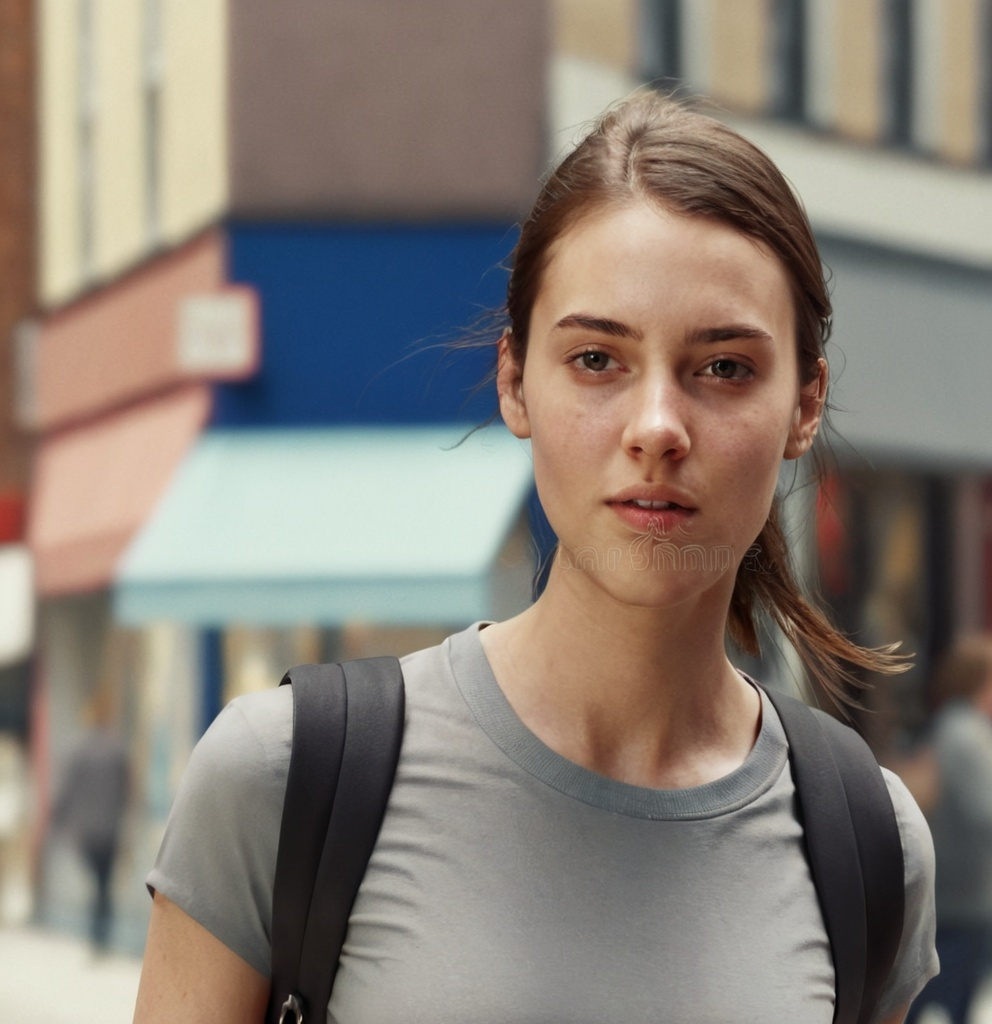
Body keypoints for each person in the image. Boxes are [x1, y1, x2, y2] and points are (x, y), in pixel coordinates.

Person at [132, 92, 937, 1023]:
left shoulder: (871, 848)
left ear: (805, 404)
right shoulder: (280, 780)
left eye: (724, 368)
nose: (657, 428)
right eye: (598, 360)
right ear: (515, 381)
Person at [905, 634, 992, 1024]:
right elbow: (985, 810)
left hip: (959, 892)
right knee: (945, 995)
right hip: (965, 895)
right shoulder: (965, 731)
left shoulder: (954, 726)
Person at [52, 694, 130, 952]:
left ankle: (97, 935)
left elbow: (66, 790)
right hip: (109, 829)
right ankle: (101, 934)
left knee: (98, 881)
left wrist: (59, 820)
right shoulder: (117, 750)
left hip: (86, 831)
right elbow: (127, 791)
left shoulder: (78, 751)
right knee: (104, 883)